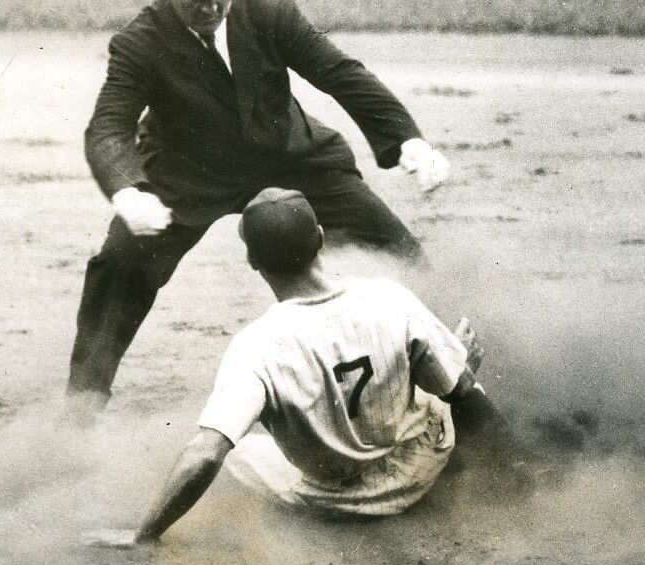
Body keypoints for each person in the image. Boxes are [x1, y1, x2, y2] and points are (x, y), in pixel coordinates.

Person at [68, 0, 452, 406]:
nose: (211, 9)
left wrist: (407, 140)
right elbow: (108, 126)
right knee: (120, 264)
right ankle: (81, 405)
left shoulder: (270, 14)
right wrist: (127, 193)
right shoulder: (139, 42)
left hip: (288, 158)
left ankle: (455, 360)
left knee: (395, 249)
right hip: (190, 173)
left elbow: (341, 73)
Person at [132, 188, 511, 544]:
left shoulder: (255, 346)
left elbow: (205, 454)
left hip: (333, 503)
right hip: (418, 470)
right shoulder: (387, 296)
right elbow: (460, 391)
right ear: (320, 237)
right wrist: (458, 366)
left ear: (252, 260)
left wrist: (144, 535)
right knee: (450, 380)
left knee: (242, 451)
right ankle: (509, 469)